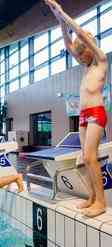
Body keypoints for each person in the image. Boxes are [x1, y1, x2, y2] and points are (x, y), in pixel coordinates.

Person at [45, 0, 108, 217]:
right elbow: (68, 43)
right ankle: (91, 197)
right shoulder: (87, 64)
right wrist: (58, 20)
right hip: (83, 115)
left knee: (91, 157)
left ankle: (100, 202)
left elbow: (79, 34)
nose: (79, 58)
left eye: (82, 54)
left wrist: (62, 12)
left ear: (89, 49)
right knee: (84, 157)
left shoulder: (101, 59)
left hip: (97, 114)